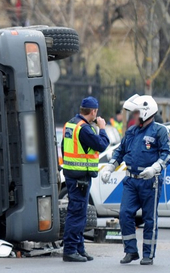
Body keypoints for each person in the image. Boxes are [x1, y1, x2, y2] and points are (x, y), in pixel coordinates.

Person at [100, 94, 170, 265]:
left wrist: (155, 168)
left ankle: (148, 254)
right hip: (131, 181)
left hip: (150, 181)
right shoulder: (131, 131)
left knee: (149, 219)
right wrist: (110, 167)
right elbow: (120, 151)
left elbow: (168, 153)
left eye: (136, 112)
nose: (134, 115)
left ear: (146, 112)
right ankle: (131, 251)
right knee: (125, 214)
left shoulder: (160, 131)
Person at [61, 96, 109, 263]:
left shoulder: (70, 124)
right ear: (93, 111)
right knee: (76, 213)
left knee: (79, 213)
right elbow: (102, 145)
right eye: (96, 111)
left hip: (72, 174)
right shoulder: (84, 129)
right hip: (79, 177)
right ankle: (70, 250)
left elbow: (64, 148)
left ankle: (79, 248)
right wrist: (102, 128)